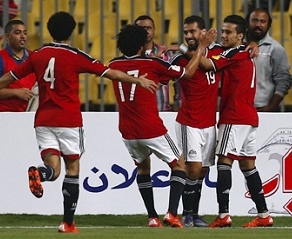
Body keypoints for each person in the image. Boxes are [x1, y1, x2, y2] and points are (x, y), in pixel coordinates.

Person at [0, 12, 157, 233]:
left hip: (43, 120)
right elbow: (110, 73)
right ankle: (68, 222)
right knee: (72, 169)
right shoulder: (76, 55)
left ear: (49, 30)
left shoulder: (37, 55)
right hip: (67, 120)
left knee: (54, 169)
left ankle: (40, 173)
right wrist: (138, 80)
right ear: (71, 32)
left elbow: (10, 76)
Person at [109, 24, 215, 228]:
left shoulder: (114, 63)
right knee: (179, 165)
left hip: (127, 130)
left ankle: (152, 217)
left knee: (143, 169)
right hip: (150, 127)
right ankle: (172, 213)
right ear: (142, 44)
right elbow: (189, 73)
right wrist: (201, 47)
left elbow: (159, 76)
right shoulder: (152, 64)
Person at [197, 15, 273, 228]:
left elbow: (205, 64)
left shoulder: (234, 53)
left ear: (240, 35)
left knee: (224, 162)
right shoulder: (245, 52)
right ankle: (264, 215)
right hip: (248, 116)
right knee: (248, 166)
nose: (223, 35)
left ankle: (223, 215)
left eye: (228, 32)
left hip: (234, 115)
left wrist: (200, 47)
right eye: (223, 31)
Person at [169, 15, 222, 228]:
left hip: (209, 122)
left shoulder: (217, 52)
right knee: (193, 168)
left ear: (203, 32)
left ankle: (193, 213)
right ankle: (187, 215)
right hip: (189, 121)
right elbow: (192, 67)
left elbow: (207, 64)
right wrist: (184, 48)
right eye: (186, 33)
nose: (189, 36)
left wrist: (253, 43)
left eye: (193, 32)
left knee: (203, 171)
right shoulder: (178, 59)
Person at [0, 19, 37, 112]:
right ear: (8, 36)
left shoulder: (34, 57)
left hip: (31, 116)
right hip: (5, 116)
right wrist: (16, 92)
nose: (22, 36)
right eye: (17, 33)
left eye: (25, 33)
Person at [246, 8, 292, 112]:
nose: (258, 25)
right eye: (254, 20)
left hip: (260, 108)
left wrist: (271, 106)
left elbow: (284, 80)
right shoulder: (236, 46)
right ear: (248, 23)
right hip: (235, 107)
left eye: (263, 21)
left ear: (269, 25)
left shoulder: (276, 49)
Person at [134, 15, 181, 111]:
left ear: (154, 30)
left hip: (163, 111)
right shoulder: (131, 55)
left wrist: (177, 103)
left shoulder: (166, 53)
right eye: (141, 28)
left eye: (148, 28)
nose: (146, 31)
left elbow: (178, 80)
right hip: (139, 112)